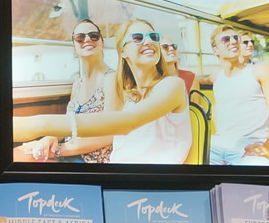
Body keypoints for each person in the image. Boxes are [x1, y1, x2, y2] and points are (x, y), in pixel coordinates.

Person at [11, 19, 191, 165]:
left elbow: (125, 124)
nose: (149, 41)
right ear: (123, 51)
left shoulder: (173, 85)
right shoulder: (130, 96)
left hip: (149, 185)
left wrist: (38, 125)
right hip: (119, 174)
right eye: (138, 38)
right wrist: (50, 139)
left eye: (153, 36)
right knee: (19, 156)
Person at [16, 18, 115, 164]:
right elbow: (69, 124)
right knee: (18, 153)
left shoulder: (111, 79)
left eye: (94, 36)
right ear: (74, 47)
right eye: (80, 38)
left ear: (102, 43)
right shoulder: (78, 84)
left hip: (91, 159)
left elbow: (111, 134)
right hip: (69, 151)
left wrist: (57, 150)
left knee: (22, 158)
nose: (87, 39)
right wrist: (52, 138)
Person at [206, 28, 269, 165]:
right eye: (226, 39)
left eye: (236, 38)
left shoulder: (260, 70)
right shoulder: (216, 75)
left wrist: (268, 148)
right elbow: (197, 78)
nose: (233, 42)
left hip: (250, 145)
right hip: (217, 144)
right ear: (215, 51)